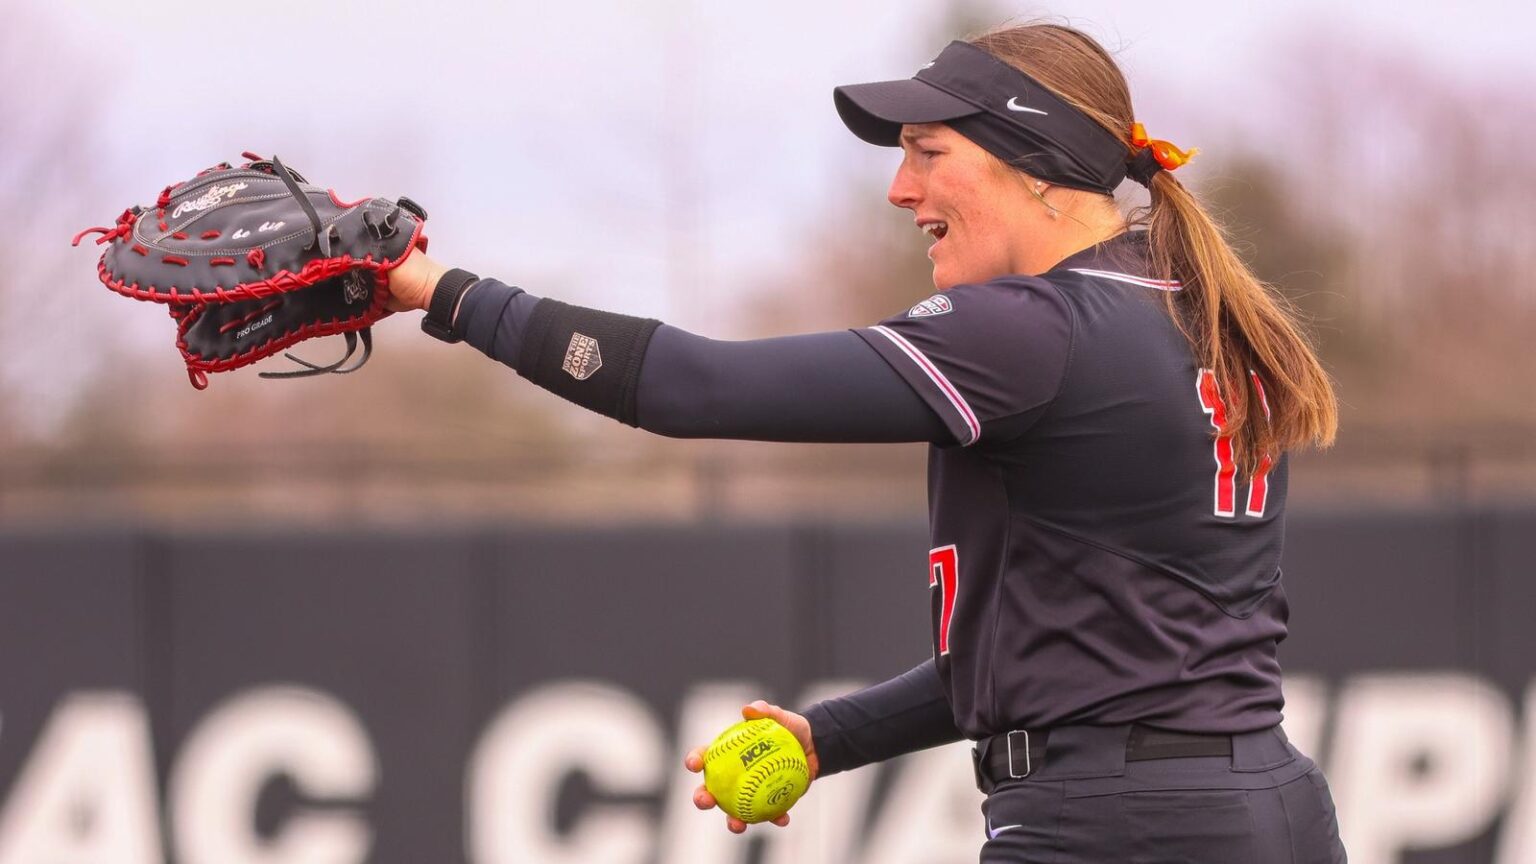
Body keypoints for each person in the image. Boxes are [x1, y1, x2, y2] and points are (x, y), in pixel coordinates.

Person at [385, 22, 1345, 863]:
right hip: (1271, 808)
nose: (900, 187)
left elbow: (691, 385)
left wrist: (441, 292)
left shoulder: (1032, 329)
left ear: (1033, 160)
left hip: (1117, 827)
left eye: (929, 151)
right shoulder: (1198, 313)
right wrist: (824, 740)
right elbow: (1081, 664)